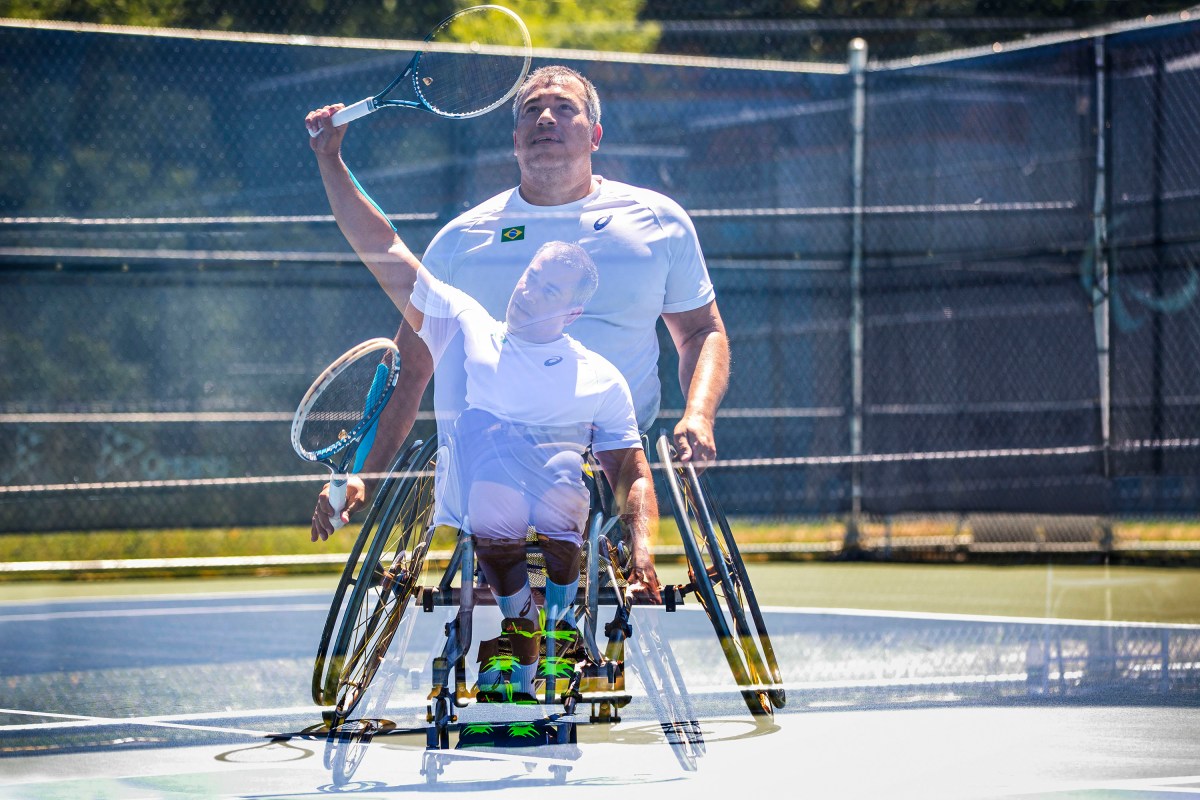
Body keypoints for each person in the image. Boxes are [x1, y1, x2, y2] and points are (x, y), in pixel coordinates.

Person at [305, 65, 730, 604]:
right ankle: (525, 614)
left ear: (595, 135)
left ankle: (592, 585)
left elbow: (702, 332)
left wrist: (699, 415)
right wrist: (366, 477)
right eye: (531, 109)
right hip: (495, 452)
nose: (545, 117)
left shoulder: (658, 221)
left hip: (613, 448)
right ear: (514, 139)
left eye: (564, 108)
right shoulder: (462, 241)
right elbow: (408, 366)